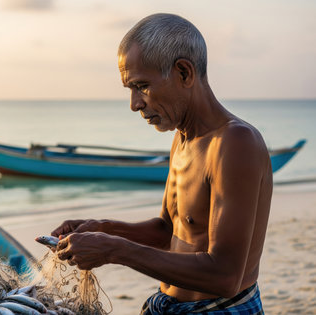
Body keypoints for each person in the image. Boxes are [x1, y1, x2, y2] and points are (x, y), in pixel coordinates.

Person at [52, 13, 272, 314]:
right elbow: (169, 231)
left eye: (141, 86)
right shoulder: (182, 139)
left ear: (184, 73)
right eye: (130, 89)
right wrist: (102, 230)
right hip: (168, 304)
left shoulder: (235, 143)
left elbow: (225, 276)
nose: (134, 104)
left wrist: (114, 250)